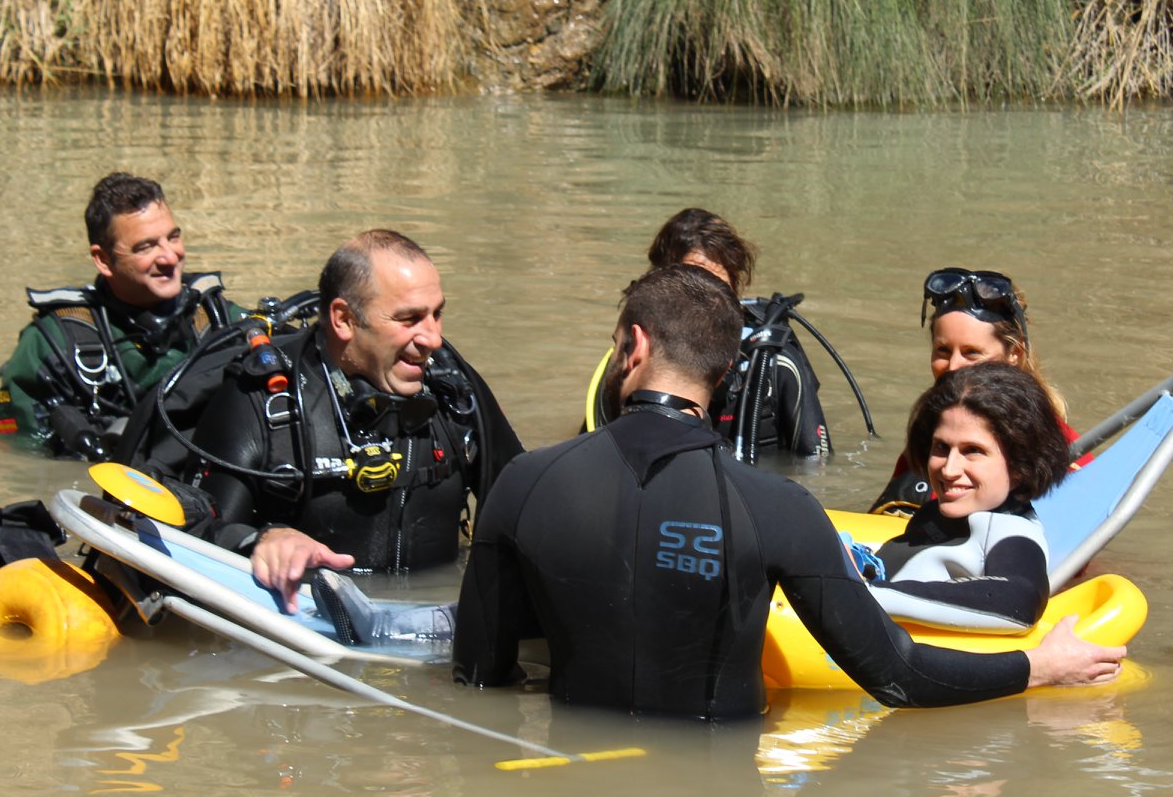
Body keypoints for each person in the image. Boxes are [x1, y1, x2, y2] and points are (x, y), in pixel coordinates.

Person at [454, 264, 1124, 719]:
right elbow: (899, 676)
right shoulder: (778, 510)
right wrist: (1037, 669)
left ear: (633, 346)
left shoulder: (523, 483)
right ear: (730, 366)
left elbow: (480, 676)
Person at [181, 229, 522, 599]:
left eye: (436, 314)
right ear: (344, 319)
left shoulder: (454, 391)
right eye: (409, 319)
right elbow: (196, 537)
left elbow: (527, 510)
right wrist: (261, 539)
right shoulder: (261, 400)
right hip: (307, 624)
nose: (433, 339)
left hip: (437, 617)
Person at [0, 172, 240, 459]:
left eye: (173, 237)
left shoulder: (219, 319)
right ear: (103, 259)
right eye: (146, 246)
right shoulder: (51, 345)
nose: (170, 257)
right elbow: (19, 453)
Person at [857, 364, 1070, 632]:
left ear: (1020, 465)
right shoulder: (932, 515)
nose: (949, 469)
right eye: (942, 447)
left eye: (973, 451)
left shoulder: (1010, 532)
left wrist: (857, 594)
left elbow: (1020, 602)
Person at [869, 267, 1076, 516]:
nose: (953, 366)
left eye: (972, 353)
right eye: (943, 351)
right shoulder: (934, 433)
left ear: (1015, 354)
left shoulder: (1061, 451)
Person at [635, 207, 832, 458]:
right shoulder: (634, 360)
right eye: (692, 290)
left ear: (734, 290)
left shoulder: (776, 365)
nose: (707, 307)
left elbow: (817, 469)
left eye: (718, 290)